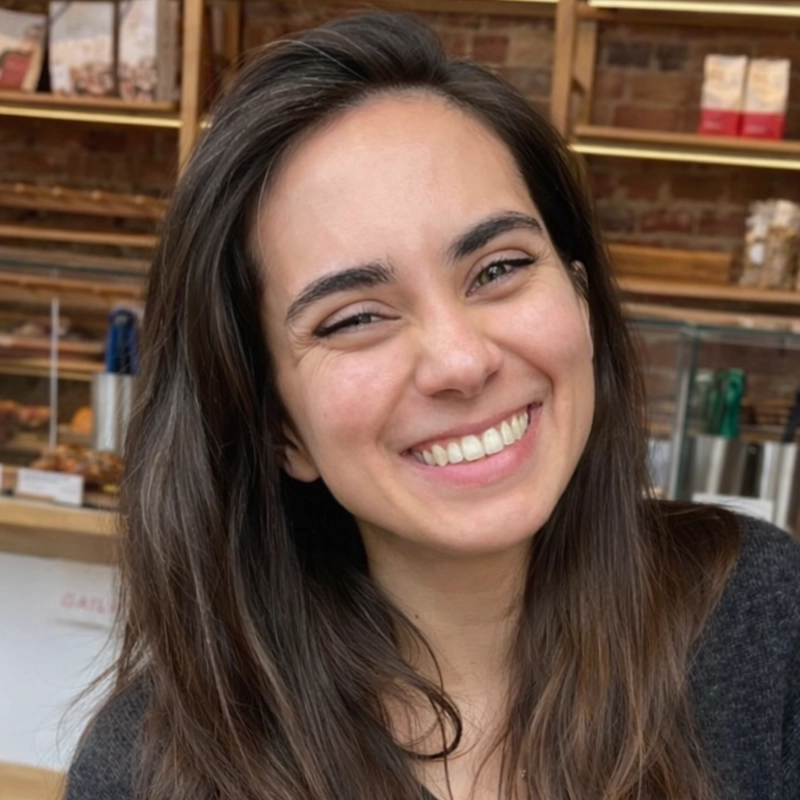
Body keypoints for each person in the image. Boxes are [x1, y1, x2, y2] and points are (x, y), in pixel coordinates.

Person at [65, 11, 800, 800]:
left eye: (498, 269)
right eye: (354, 318)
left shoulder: (762, 628)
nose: (460, 360)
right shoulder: (152, 770)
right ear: (278, 425)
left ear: (581, 301)